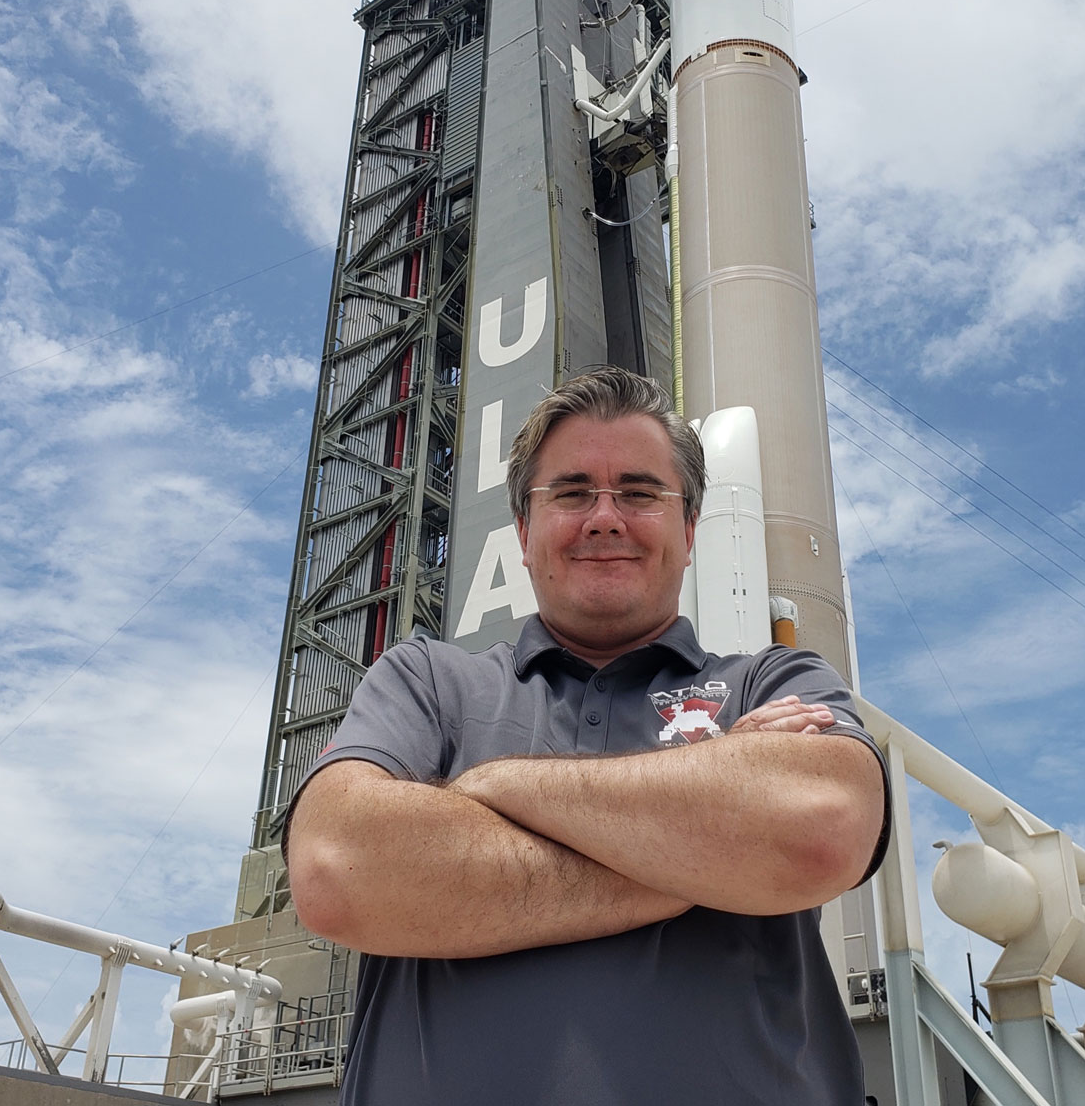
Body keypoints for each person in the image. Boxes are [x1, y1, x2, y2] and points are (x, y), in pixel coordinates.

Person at [286, 367, 889, 1105]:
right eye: (571, 492)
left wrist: (490, 786)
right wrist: (712, 838)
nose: (605, 516)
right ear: (523, 531)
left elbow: (820, 832)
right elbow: (337, 867)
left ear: (689, 529)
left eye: (639, 492)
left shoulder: (774, 681)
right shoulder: (428, 682)